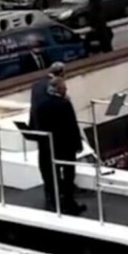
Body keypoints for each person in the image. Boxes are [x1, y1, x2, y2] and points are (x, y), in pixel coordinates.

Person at [36, 77, 85, 214]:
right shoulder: (65, 104)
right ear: (58, 89)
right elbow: (72, 125)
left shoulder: (41, 105)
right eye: (64, 87)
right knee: (69, 175)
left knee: (52, 176)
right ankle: (69, 202)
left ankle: (54, 203)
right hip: (66, 146)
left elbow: (40, 126)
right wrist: (78, 144)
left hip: (50, 147)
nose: (66, 90)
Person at [29, 62, 65, 131]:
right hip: (52, 129)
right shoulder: (55, 85)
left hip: (37, 127)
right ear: (61, 74)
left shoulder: (36, 85)